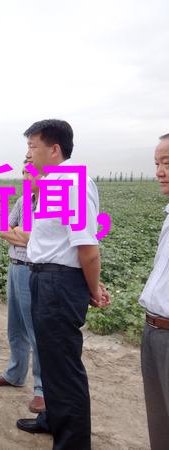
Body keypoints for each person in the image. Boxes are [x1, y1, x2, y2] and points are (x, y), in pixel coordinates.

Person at [15, 120, 110, 450]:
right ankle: (53, 419)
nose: (28, 154)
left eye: (33, 146)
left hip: (58, 283)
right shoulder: (53, 184)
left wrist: (93, 288)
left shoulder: (73, 183)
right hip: (45, 278)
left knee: (64, 367)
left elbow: (87, 248)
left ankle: (72, 443)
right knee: (51, 359)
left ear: (54, 149)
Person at [0, 161, 45, 414]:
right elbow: (5, 231)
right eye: (23, 173)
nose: (26, 177)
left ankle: (41, 389)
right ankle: (15, 373)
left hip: (35, 269)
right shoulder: (23, 201)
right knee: (15, 325)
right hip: (15, 266)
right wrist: (23, 234)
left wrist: (22, 233)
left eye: (31, 173)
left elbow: (41, 239)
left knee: (35, 329)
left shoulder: (50, 202)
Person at [139, 133, 169, 450]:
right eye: (157, 163)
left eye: (167, 163)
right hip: (154, 329)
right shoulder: (168, 216)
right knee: (159, 424)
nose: (159, 172)